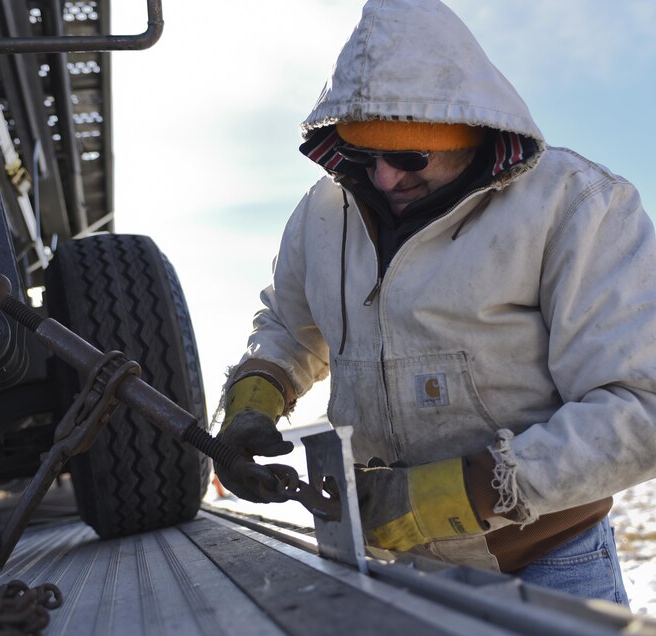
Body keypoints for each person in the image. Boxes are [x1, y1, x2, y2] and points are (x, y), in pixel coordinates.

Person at [214, 0, 656, 605]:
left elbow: (641, 408)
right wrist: (251, 404)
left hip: (545, 562)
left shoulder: (577, 207)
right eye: (366, 157)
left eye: (410, 156)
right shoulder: (322, 214)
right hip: (394, 563)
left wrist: (455, 495)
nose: (386, 180)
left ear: (473, 131)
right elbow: (290, 328)